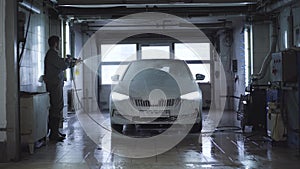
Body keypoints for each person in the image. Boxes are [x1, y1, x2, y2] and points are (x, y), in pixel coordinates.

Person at [44, 35, 81, 142]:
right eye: (59, 42)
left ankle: (55, 132)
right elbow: (63, 65)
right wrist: (69, 61)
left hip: (56, 84)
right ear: (56, 43)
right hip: (54, 85)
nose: (59, 44)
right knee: (56, 107)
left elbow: (62, 63)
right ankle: (54, 134)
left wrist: (72, 62)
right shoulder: (52, 54)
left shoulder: (53, 55)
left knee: (57, 107)